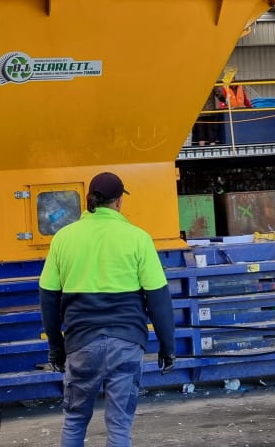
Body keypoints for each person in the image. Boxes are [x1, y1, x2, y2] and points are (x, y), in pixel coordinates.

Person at [39, 172, 176, 447]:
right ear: (119, 202)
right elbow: (159, 298)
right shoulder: (138, 238)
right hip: (126, 342)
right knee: (119, 425)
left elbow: (48, 298)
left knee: (75, 419)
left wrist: (56, 347)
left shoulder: (63, 238)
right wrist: (167, 347)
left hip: (81, 344)